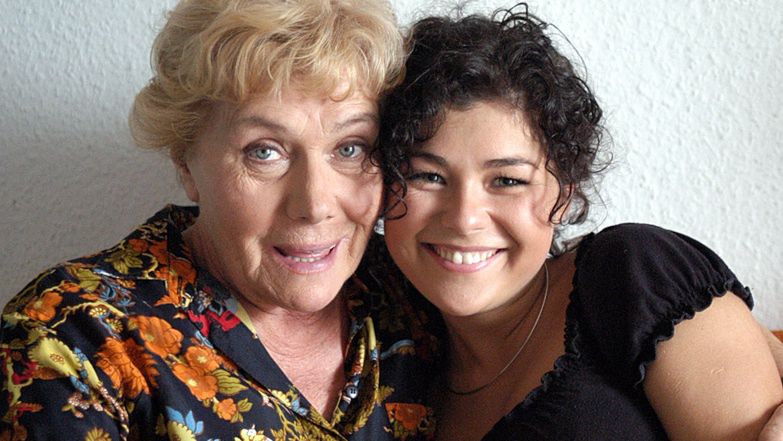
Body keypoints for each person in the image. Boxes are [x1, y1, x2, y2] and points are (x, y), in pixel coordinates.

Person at [0, 0, 436, 439]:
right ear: (185, 161)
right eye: (264, 151)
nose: (315, 204)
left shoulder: (417, 296)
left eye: (350, 148)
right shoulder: (72, 335)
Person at [374, 5, 783, 440]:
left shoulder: (637, 277)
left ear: (565, 194)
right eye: (428, 176)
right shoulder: (391, 369)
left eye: (508, 180)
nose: (464, 218)